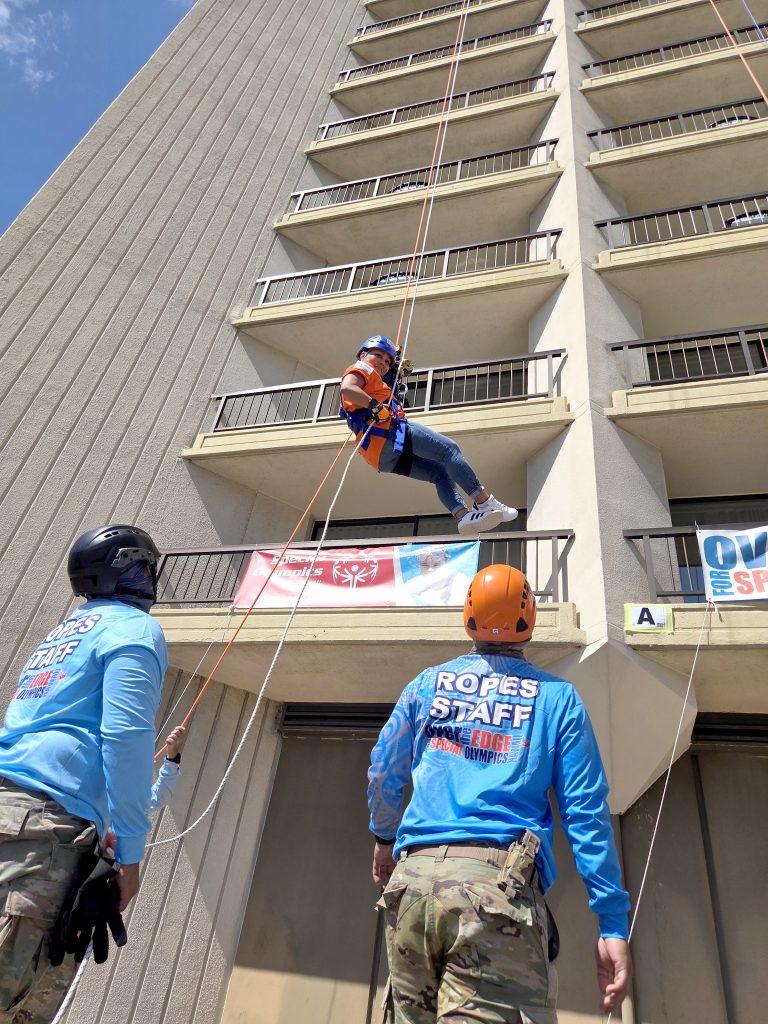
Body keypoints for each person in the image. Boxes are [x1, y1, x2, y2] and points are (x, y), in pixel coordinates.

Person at [368, 564, 632, 1023]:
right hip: (496, 894)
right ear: (528, 619)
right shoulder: (558, 699)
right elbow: (585, 813)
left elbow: (384, 770)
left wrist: (384, 838)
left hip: (410, 886)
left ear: (468, 614)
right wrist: (611, 922)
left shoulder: (426, 684)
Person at [0, 524, 168, 1024]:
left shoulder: (63, 632)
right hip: (44, 828)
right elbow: (126, 738)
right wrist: (132, 854)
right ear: (133, 570)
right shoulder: (135, 630)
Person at [341, 336, 518, 535]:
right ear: (363, 355)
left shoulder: (377, 381)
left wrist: (395, 368)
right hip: (389, 435)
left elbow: (378, 386)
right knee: (449, 450)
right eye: (378, 355)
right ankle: (484, 502)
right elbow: (348, 388)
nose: (383, 362)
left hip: (380, 456)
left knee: (440, 473)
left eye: (387, 360)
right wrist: (375, 407)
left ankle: (463, 516)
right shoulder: (362, 368)